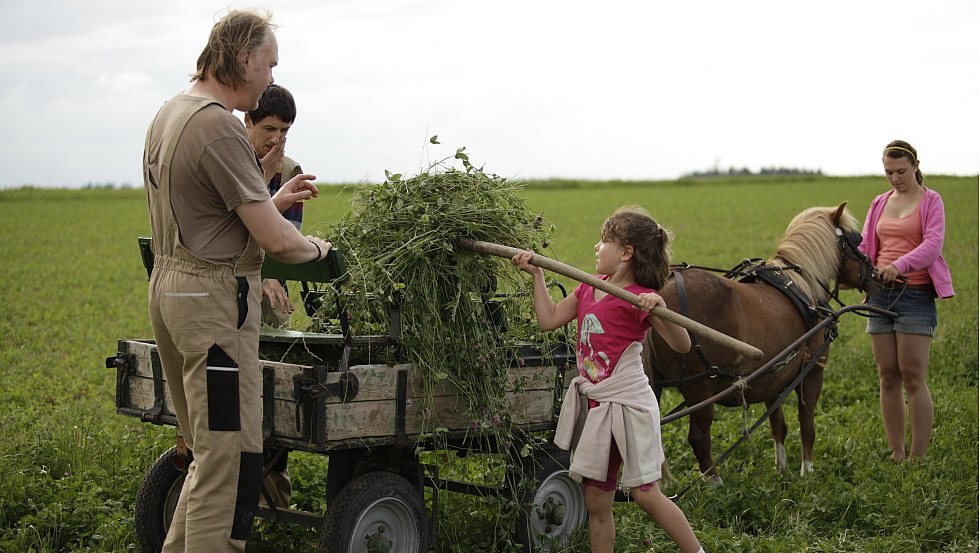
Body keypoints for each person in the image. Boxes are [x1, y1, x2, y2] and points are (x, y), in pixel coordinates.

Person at [141, 10, 332, 553]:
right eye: (269, 65)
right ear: (245, 58)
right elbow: (277, 242)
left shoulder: (171, 112)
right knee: (223, 461)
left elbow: (208, 218)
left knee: (211, 453)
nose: (271, 78)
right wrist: (322, 249)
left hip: (174, 290)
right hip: (212, 307)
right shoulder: (219, 124)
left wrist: (272, 202)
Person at [511, 206, 704, 553]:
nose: (596, 248)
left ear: (626, 252)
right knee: (597, 501)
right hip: (598, 408)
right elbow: (549, 319)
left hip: (629, 404)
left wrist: (657, 308)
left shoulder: (639, 299)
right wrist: (537, 277)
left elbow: (682, 343)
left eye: (604, 241)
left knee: (646, 496)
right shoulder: (588, 289)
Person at [860, 140, 954, 462]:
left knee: (913, 377)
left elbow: (932, 245)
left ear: (915, 166)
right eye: (888, 172)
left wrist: (898, 265)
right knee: (887, 375)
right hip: (879, 296)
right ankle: (897, 451)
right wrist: (855, 268)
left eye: (901, 171)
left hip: (914, 295)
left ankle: (918, 456)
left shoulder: (931, 201)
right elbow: (865, 246)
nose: (895, 178)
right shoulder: (879, 202)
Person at [245, 83, 304, 327]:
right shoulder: (231, 163)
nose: (275, 139)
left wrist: (271, 276)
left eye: (283, 130)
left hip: (273, 278)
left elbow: (286, 237)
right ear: (248, 121)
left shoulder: (290, 171)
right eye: (269, 128)